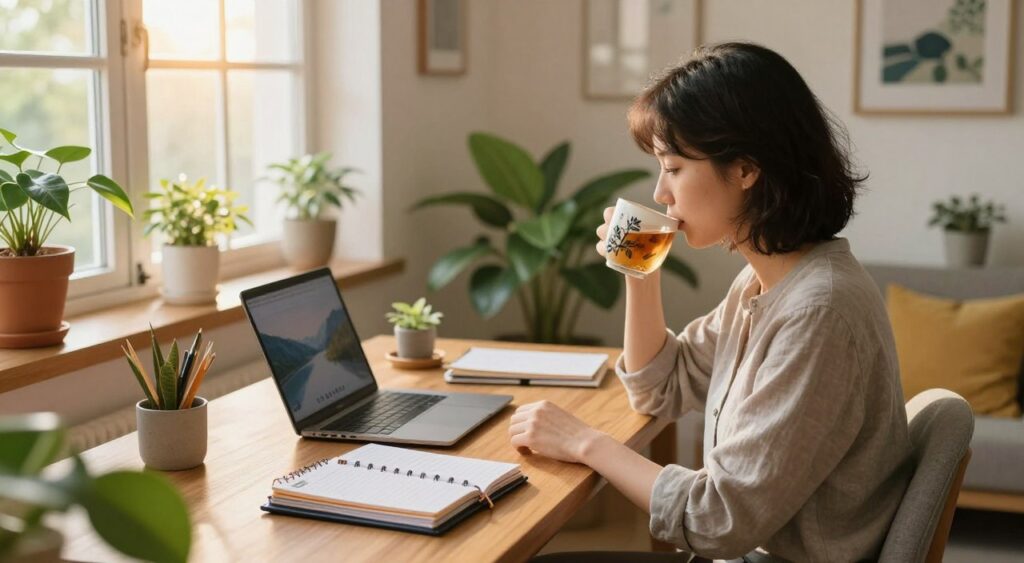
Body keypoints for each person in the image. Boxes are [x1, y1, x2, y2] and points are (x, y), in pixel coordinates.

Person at [511, 42, 913, 562]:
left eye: (673, 167)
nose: (660, 193)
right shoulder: (762, 282)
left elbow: (717, 520)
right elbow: (661, 387)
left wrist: (584, 443)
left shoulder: (818, 312)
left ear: (746, 169)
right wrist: (641, 273)